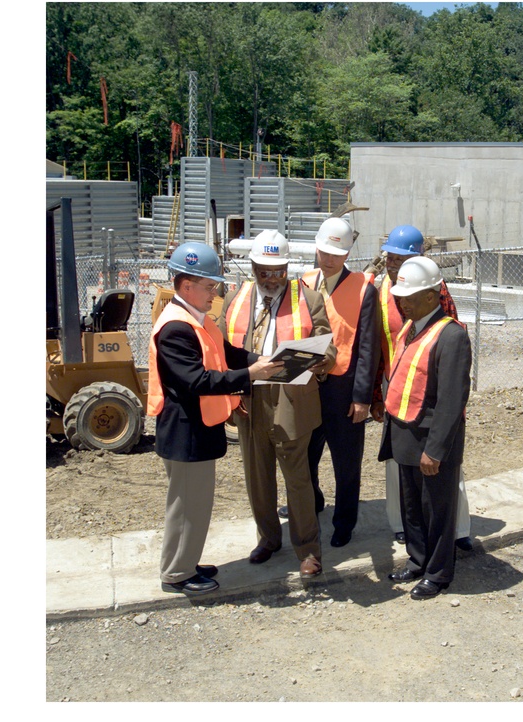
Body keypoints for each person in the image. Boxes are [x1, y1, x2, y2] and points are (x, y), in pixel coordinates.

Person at [149, 242, 283, 594]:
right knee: (187, 506)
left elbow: (228, 354)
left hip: (197, 428)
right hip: (185, 430)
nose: (215, 293)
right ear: (186, 284)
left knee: (195, 503)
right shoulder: (176, 328)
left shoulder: (198, 321)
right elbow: (196, 380)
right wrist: (252, 374)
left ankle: (186, 559)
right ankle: (177, 573)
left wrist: (267, 359)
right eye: (210, 286)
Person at [223, 230, 334, 580]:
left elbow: (327, 345)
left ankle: (308, 550)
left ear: (287, 267)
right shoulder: (235, 298)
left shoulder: (309, 297)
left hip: (291, 399)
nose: (271, 278)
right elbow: (224, 350)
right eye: (264, 271)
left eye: (277, 271)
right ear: (252, 266)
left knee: (297, 478)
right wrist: (233, 389)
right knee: (258, 476)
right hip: (250, 398)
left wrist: (321, 361)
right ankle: (268, 539)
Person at [370, 224, 474, 551]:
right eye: (389, 257)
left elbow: (451, 344)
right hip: (395, 383)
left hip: (429, 386)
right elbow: (372, 345)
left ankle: (456, 530)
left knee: (441, 466)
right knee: (398, 465)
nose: (391, 264)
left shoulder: (436, 292)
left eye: (399, 258)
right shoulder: (378, 290)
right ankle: (403, 525)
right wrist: (376, 393)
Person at [301, 217, 381, 548]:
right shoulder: (303, 283)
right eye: (324, 251)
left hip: (344, 388)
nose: (329, 258)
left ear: (347, 254)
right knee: (304, 455)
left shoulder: (364, 289)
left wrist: (362, 397)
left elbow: (368, 347)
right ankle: (312, 502)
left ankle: (344, 521)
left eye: (336, 253)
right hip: (307, 386)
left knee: (346, 462)